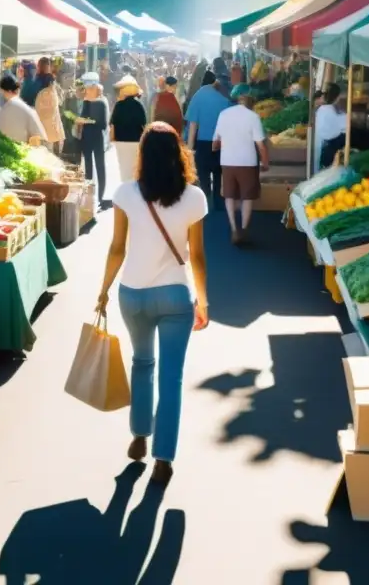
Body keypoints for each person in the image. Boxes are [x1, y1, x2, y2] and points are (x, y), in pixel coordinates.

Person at [95, 122, 209, 486]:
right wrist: (203, 301)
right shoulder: (194, 197)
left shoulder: (125, 193)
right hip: (176, 296)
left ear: (142, 155)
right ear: (179, 154)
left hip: (133, 293)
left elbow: (117, 247)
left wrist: (103, 289)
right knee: (171, 378)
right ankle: (164, 458)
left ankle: (139, 438)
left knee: (141, 364)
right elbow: (197, 256)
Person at [213, 83, 269, 245]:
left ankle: (233, 227)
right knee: (247, 197)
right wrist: (265, 162)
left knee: (229, 195)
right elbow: (260, 145)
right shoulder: (253, 117)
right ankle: (243, 228)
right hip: (248, 162)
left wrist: (219, 146)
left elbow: (215, 142)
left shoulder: (223, 115)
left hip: (228, 161)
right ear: (250, 100)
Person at [185, 71, 231, 205]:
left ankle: (205, 199)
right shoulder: (223, 97)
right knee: (218, 172)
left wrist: (189, 149)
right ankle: (217, 199)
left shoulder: (198, 96)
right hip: (220, 142)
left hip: (203, 142)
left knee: (203, 173)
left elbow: (193, 124)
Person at [79, 74, 110, 208]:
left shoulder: (99, 103)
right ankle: (92, 197)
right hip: (92, 137)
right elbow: (85, 119)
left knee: (96, 167)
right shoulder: (91, 102)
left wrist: (89, 122)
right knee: (93, 167)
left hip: (92, 137)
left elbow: (101, 123)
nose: (88, 91)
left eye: (91, 89)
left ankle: (97, 197)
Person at [110, 74, 148, 182]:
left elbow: (113, 124)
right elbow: (144, 125)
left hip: (121, 141)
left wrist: (112, 138)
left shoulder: (118, 105)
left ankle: (124, 187)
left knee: (123, 167)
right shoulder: (139, 105)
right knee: (134, 168)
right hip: (136, 141)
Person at [0, 76, 48, 145]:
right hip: (23, 150)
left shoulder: (1, 111)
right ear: (18, 89)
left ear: (4, 91)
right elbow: (41, 137)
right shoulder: (28, 110)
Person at [313, 83, 348, 172]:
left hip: (322, 150)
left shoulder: (322, 110)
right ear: (338, 97)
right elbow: (345, 127)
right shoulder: (330, 111)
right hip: (327, 152)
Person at [34, 63, 65, 153]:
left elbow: (38, 109)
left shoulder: (43, 93)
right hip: (52, 124)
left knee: (46, 149)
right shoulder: (52, 91)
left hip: (44, 125)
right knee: (50, 149)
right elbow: (59, 103)